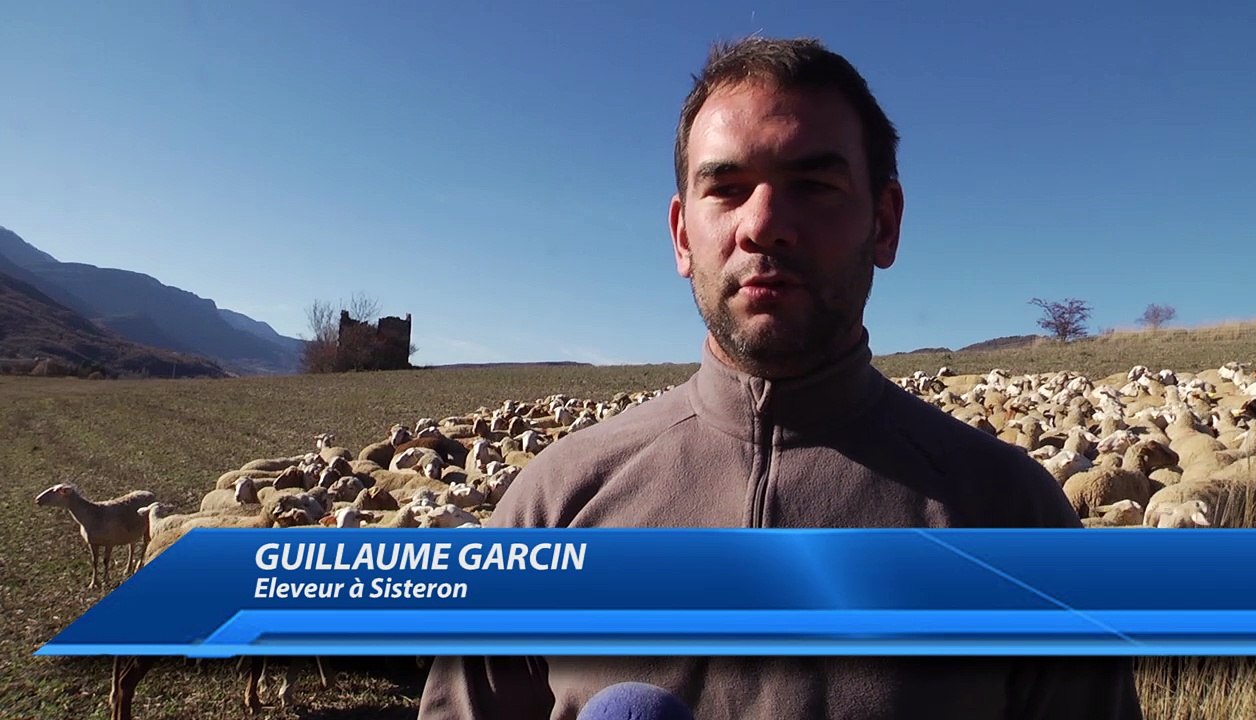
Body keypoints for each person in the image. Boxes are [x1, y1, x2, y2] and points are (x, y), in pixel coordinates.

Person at [420, 36, 1143, 719]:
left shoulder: (1013, 520)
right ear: (681, 235)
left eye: (815, 184)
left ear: (885, 222)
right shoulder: (554, 504)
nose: (764, 224)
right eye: (727, 188)